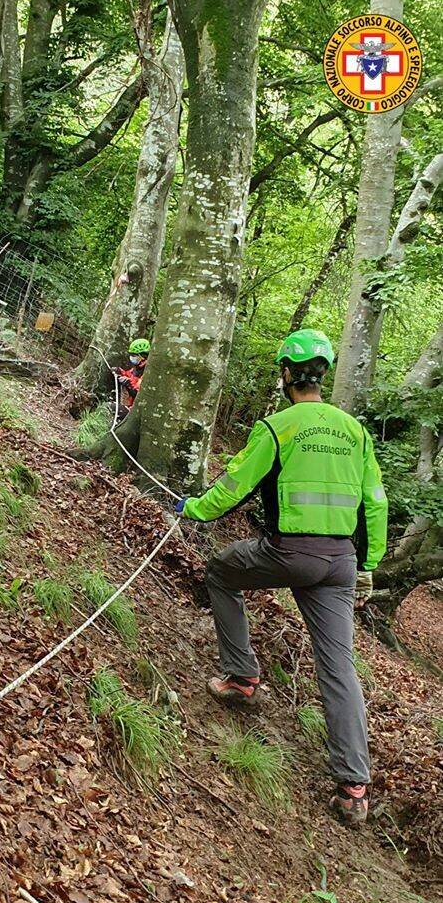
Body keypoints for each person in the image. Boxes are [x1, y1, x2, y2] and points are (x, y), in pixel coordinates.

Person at [175, 328, 388, 826]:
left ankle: (241, 677)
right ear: (322, 376)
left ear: (287, 374)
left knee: (221, 572)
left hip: (289, 552)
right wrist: (369, 564)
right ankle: (354, 787)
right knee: (339, 667)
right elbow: (375, 503)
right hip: (341, 565)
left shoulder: (277, 428)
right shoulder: (356, 432)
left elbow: (234, 486)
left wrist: (193, 509)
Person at [112, 338, 150, 416]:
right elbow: (130, 375)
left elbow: (138, 394)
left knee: (108, 407)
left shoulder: (148, 372)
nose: (131, 357)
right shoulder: (137, 368)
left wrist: (128, 384)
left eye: (134, 355)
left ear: (143, 356)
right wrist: (120, 371)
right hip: (129, 406)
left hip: (135, 412)